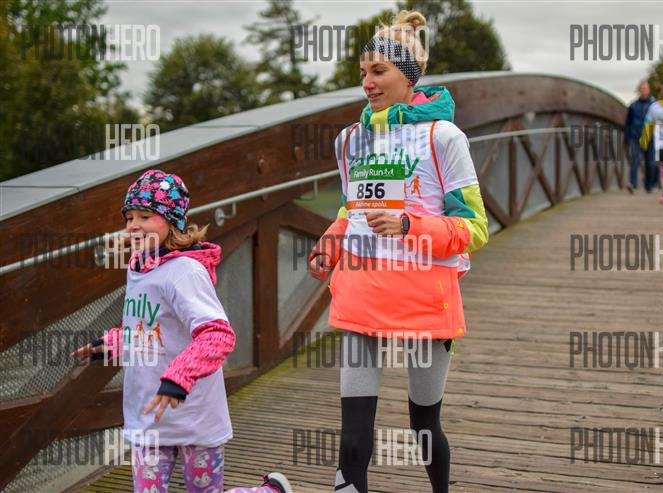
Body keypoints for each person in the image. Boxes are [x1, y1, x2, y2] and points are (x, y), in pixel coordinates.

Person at [308, 10, 488, 493]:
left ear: (409, 77)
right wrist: (330, 243)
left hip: (424, 297)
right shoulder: (351, 140)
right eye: (362, 73)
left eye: (378, 71)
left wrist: (409, 225)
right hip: (361, 292)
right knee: (353, 438)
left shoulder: (443, 137)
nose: (367, 83)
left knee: (424, 426)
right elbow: (352, 210)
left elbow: (474, 228)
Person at [72, 170, 292, 493]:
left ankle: (269, 491)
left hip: (194, 418)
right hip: (148, 418)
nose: (133, 225)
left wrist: (178, 378)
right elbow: (149, 327)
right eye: (129, 217)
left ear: (171, 220)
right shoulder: (138, 267)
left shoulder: (185, 272)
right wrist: (113, 343)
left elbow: (217, 335)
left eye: (145, 216)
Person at [624, 81, 656, 192]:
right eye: (642, 88)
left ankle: (649, 186)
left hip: (649, 134)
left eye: (645, 88)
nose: (644, 90)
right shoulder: (633, 105)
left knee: (650, 162)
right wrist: (626, 138)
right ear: (639, 90)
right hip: (635, 135)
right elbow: (628, 123)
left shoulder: (654, 104)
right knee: (635, 160)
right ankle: (632, 185)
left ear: (649, 90)